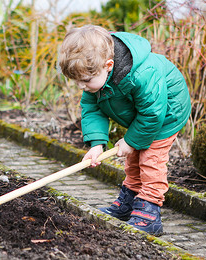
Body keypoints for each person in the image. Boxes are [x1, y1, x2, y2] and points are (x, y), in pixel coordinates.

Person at [58, 25, 191, 236]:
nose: (82, 87)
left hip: (166, 113)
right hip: (144, 115)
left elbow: (153, 114)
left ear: (108, 65)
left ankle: (149, 212)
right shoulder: (95, 78)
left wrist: (129, 141)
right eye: (77, 82)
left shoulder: (142, 74)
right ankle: (130, 201)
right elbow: (93, 109)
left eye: (85, 81)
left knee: (150, 158)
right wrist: (97, 144)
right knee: (133, 157)